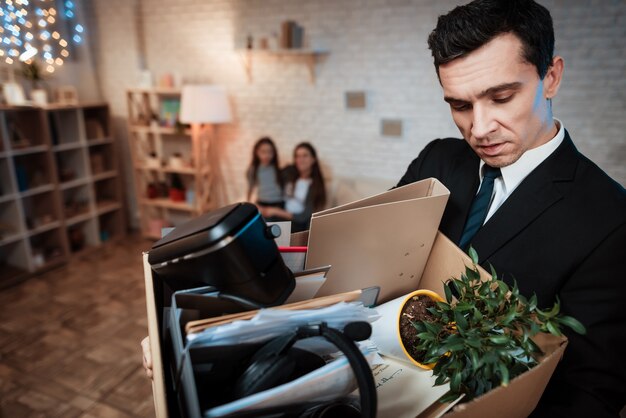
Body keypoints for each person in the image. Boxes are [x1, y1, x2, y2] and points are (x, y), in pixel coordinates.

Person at [396, 1, 626, 417]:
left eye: (501, 98)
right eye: (460, 106)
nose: (479, 129)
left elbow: (589, 393)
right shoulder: (437, 160)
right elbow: (387, 261)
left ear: (551, 77)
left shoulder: (611, 219)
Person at [258, 142, 327, 232]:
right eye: (297, 156)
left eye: (305, 156)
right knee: (256, 219)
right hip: (280, 215)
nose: (300, 159)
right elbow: (271, 177)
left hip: (296, 224)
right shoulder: (290, 174)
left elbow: (303, 217)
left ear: (313, 159)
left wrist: (275, 211)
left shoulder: (315, 185)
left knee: (262, 224)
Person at [246, 136, 284, 207]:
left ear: (274, 153)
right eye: (263, 152)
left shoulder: (277, 168)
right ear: (257, 152)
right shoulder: (253, 170)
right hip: (262, 203)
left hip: (279, 203)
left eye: (270, 152)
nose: (266, 155)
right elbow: (250, 188)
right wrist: (247, 205)